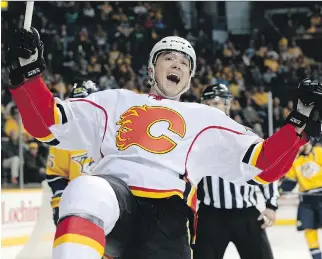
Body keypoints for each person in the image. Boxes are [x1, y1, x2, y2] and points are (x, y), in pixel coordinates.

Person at [5, 27, 322, 259]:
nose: (177, 65)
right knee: (85, 189)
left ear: (189, 78)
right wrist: (27, 75)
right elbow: (46, 124)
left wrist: (297, 126)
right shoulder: (115, 101)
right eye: (168, 58)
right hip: (118, 201)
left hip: (169, 218)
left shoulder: (206, 117)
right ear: (150, 69)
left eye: (184, 63)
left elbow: (265, 166)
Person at [194, 84, 278, 259]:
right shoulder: (196, 139)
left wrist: (271, 205)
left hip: (245, 214)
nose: (211, 108)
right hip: (211, 215)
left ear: (227, 104)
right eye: (207, 103)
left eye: (216, 103)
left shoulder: (247, 136)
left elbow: (266, 168)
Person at [46, 81, 97, 225]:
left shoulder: (114, 131)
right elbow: (56, 175)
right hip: (76, 207)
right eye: (75, 104)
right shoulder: (64, 138)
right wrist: (60, 205)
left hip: (106, 206)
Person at [279, 142, 322, 259]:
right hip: (306, 199)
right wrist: (280, 190)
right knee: (309, 229)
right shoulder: (296, 161)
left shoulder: (319, 152)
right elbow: (290, 181)